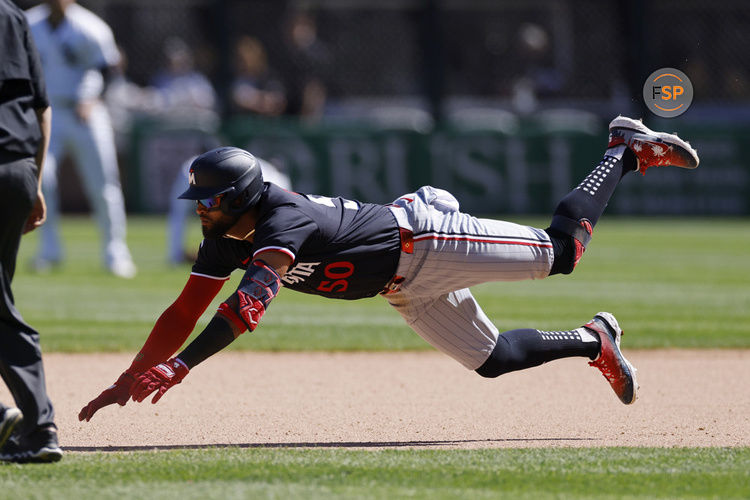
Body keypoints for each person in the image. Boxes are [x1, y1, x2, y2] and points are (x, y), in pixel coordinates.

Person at [78, 116, 700, 422]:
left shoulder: (280, 221)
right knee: (495, 361)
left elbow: (244, 311)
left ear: (239, 197)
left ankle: (621, 150)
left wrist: (181, 365)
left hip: (426, 240)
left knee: (562, 252)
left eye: (208, 202)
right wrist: (132, 373)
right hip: (404, 289)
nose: (200, 213)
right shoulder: (226, 238)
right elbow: (183, 310)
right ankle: (596, 340)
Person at [26, 0, 136, 278]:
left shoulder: (90, 27)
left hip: (86, 112)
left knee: (103, 183)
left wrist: (94, 98)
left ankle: (115, 252)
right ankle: (49, 251)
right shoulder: (29, 23)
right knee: (42, 180)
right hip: (45, 112)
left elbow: (110, 70)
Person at [0, 0, 63, 462]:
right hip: (18, 168)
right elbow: (42, 108)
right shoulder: (12, 14)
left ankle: (37, 425)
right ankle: (34, 428)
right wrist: (35, 180)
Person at [167, 151, 292, 266]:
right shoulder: (274, 174)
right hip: (204, 175)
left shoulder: (262, 167)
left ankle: (176, 254)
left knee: (180, 212)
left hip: (195, 172)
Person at [229, 35, 287, 117]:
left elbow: (278, 101)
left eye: (246, 59)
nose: (243, 63)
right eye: (240, 59)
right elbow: (238, 97)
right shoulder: (236, 80)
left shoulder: (270, 77)